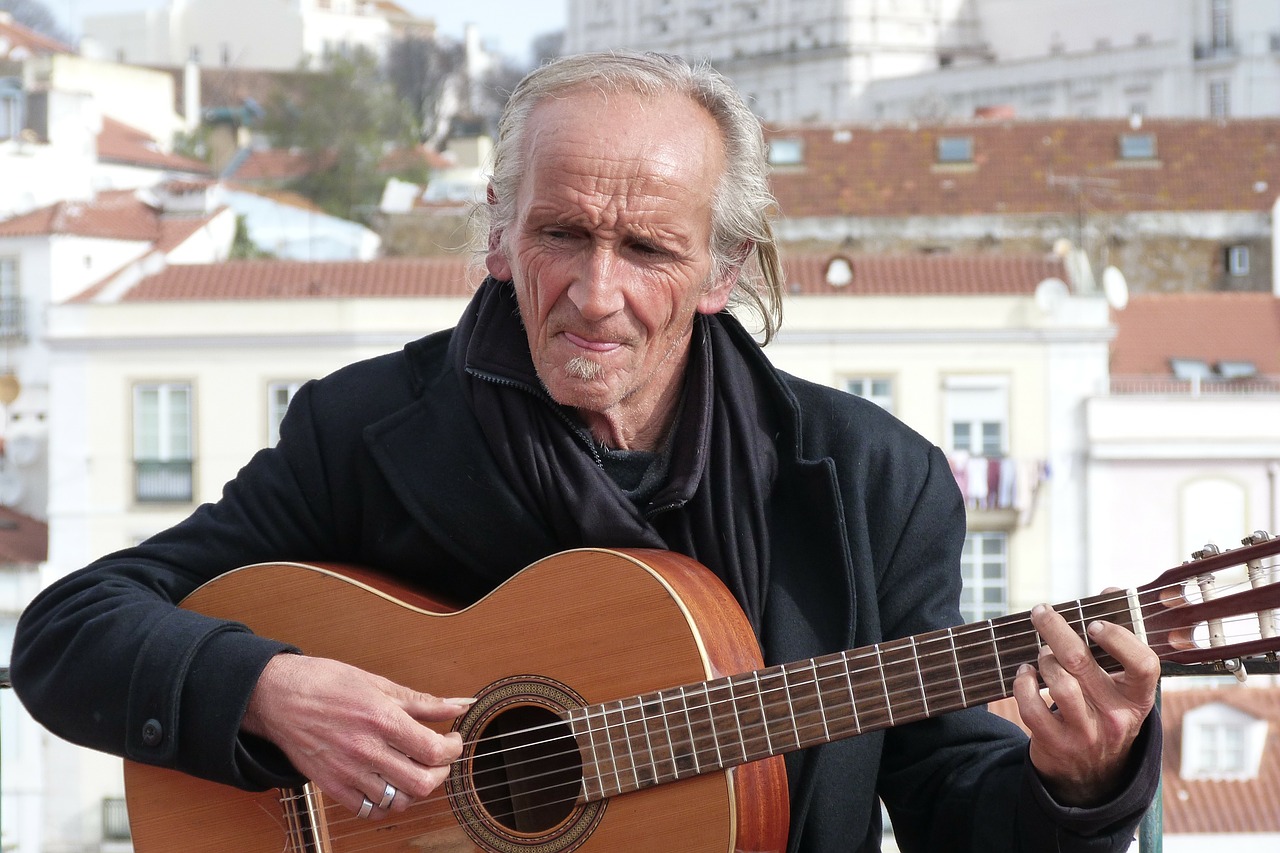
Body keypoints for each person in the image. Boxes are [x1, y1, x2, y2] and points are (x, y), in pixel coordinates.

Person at [11, 51, 1160, 852]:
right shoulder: (366, 432)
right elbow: (66, 630)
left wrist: (1080, 784)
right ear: (499, 233)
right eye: (560, 233)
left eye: (647, 247)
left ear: (721, 271)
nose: (594, 295)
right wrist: (269, 689)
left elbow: (948, 802)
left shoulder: (869, 482)